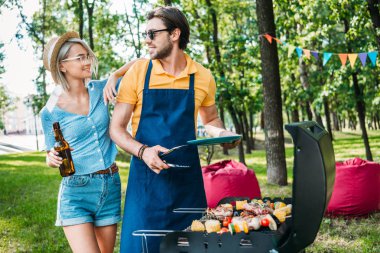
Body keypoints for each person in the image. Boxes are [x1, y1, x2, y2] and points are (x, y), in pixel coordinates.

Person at [109, 6, 240, 253]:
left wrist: (223, 135)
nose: (146, 40)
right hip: (146, 185)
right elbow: (116, 129)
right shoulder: (138, 72)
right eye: (145, 34)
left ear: (174, 34)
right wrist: (143, 151)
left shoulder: (202, 76)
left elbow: (211, 120)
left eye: (152, 33)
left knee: (191, 247)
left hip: (186, 187)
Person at [40, 31, 137, 253]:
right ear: (62, 66)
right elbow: (49, 154)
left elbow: (140, 64)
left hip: (110, 185)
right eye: (79, 58)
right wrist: (51, 158)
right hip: (76, 192)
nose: (87, 62)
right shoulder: (50, 111)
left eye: (87, 56)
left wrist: (115, 75)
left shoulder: (101, 88)